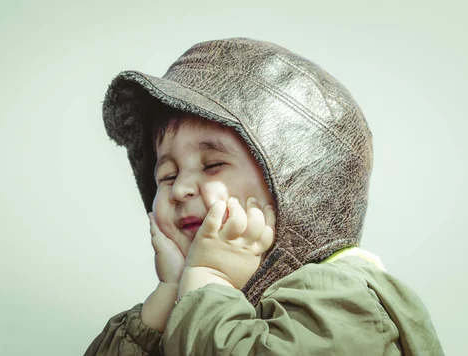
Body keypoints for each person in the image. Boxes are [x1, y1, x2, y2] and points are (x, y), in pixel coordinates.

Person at [85, 38, 443, 355]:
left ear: (295, 185)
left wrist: (208, 277)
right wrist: (169, 295)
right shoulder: (193, 299)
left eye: (212, 165)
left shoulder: (343, 298)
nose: (180, 190)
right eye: (167, 175)